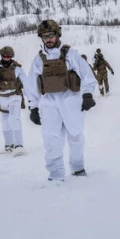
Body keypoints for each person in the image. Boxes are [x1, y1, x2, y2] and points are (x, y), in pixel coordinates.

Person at [26, 20, 97, 181]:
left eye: (50, 35)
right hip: (49, 104)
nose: (48, 39)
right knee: (51, 140)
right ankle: (56, 174)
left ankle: (78, 168)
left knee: (76, 137)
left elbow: (87, 75)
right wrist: (33, 108)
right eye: (44, 37)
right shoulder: (38, 60)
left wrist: (87, 95)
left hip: (71, 101)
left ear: (57, 34)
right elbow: (31, 85)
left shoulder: (71, 54)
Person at [0, 46, 27, 157]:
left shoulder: (17, 68)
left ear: (11, 56)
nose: (6, 58)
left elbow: (26, 83)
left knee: (14, 119)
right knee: (5, 123)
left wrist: (32, 100)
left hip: (14, 97)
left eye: (8, 56)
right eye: (4, 56)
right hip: (2, 98)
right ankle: (9, 146)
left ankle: (19, 146)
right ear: (1, 56)